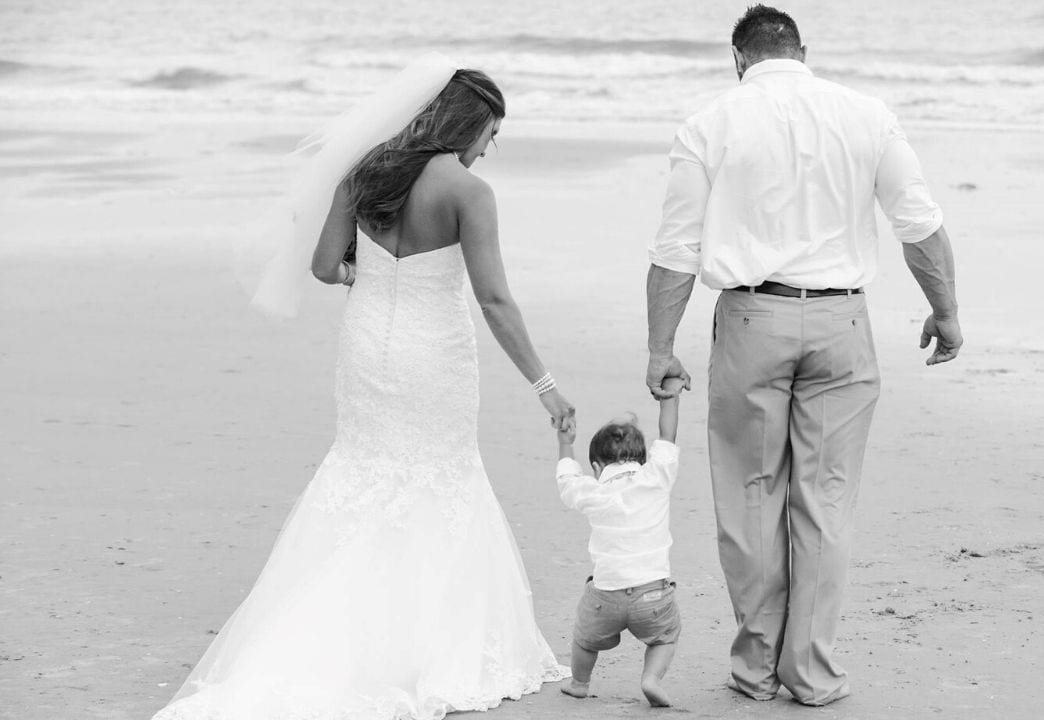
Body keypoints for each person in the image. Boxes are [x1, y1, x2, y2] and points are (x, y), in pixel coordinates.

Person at [152, 62, 574, 719]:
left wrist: (367, 274)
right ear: (469, 123)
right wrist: (545, 385)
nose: (490, 146)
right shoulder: (469, 192)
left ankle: (326, 630)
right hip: (436, 356)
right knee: (438, 476)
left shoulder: (367, 172)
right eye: (492, 131)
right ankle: (421, 644)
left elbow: (324, 267)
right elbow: (494, 298)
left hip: (368, 349)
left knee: (364, 470)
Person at [645, 4, 963, 708]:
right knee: (826, 502)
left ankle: (755, 669)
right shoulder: (866, 115)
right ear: (803, 50)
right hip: (840, 320)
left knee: (750, 496)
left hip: (751, 316)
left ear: (738, 59)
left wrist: (659, 347)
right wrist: (945, 311)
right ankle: (811, 673)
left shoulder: (707, 124)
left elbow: (675, 250)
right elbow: (919, 223)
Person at [553, 379, 685, 708]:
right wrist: (670, 398)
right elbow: (667, 438)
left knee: (585, 640)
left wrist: (565, 442)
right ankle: (651, 678)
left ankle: (580, 683)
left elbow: (567, 482)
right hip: (653, 595)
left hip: (605, 595)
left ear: (597, 467)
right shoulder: (656, 478)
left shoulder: (593, 491)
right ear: (642, 459)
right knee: (665, 636)